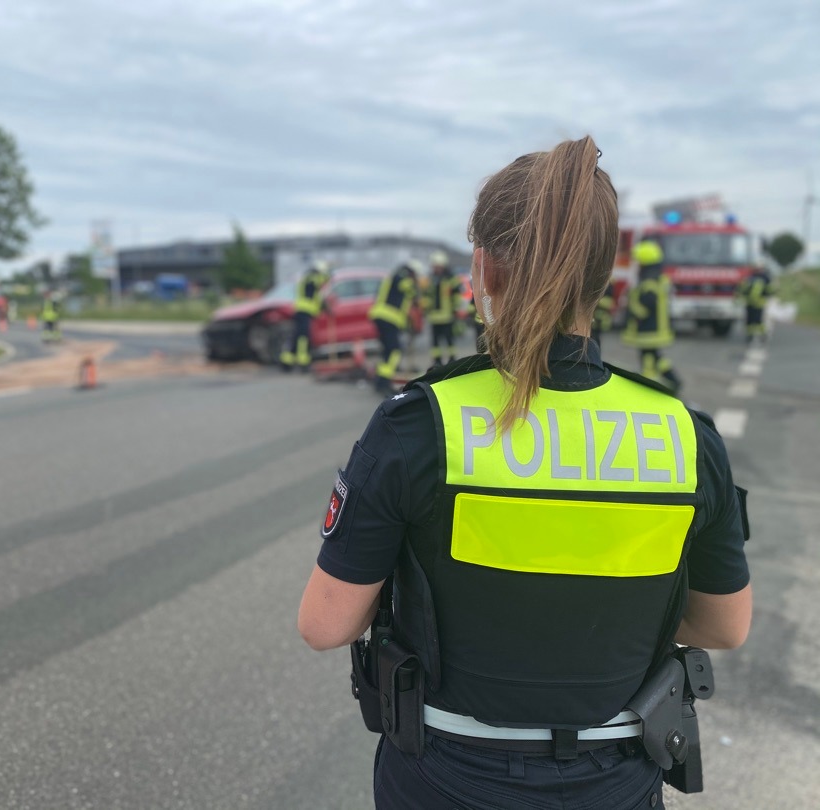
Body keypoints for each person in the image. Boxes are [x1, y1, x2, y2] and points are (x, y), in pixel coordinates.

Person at [298, 137, 751, 810]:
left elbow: (325, 624)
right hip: (617, 776)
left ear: (483, 268)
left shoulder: (419, 423)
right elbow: (724, 628)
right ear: (602, 281)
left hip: (448, 776)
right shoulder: (685, 437)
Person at [622, 239, 682, 393]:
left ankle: (650, 389)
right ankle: (672, 379)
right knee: (655, 357)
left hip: (648, 331)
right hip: (656, 329)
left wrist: (631, 303)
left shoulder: (649, 284)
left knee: (648, 361)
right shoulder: (660, 280)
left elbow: (643, 308)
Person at [368, 260, 421, 396]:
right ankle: (384, 382)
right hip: (389, 318)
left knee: (387, 351)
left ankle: (379, 381)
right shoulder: (402, 277)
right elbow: (411, 290)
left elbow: (403, 300)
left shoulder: (393, 276)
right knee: (394, 351)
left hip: (381, 316)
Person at [280, 260, 331, 372]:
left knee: (296, 336)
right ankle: (303, 362)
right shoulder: (313, 278)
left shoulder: (305, 278)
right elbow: (321, 283)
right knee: (303, 337)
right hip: (306, 311)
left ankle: (286, 362)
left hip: (300, 310)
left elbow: (315, 293)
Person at [423, 251, 465, 366]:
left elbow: (457, 294)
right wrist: (425, 305)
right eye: (434, 266)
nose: (436, 269)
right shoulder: (430, 279)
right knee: (435, 342)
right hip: (434, 317)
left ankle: (452, 360)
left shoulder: (450, 278)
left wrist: (456, 308)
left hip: (447, 316)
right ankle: (437, 361)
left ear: (443, 266)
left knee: (449, 340)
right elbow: (426, 295)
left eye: (438, 266)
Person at [736, 263, 775, 344]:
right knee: (750, 321)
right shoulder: (750, 278)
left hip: (758, 303)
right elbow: (742, 288)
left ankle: (762, 335)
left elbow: (769, 290)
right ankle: (750, 336)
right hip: (750, 303)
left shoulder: (764, 278)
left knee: (758, 320)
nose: (758, 270)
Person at [590, 282, 615, 346]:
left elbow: (609, 302)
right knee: (594, 337)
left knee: (595, 337)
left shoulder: (609, 286)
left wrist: (596, 301)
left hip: (599, 320)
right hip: (595, 319)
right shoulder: (608, 284)